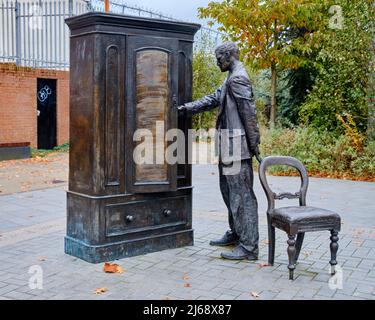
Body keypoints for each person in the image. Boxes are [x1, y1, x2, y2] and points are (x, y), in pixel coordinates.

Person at [178, 41, 261, 260]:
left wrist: (254, 144)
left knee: (242, 196)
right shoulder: (230, 78)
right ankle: (236, 233)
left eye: (218, 59)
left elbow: (249, 114)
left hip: (238, 148)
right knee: (229, 193)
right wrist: (187, 108)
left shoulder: (239, 78)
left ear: (228, 56)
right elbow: (214, 98)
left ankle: (249, 247)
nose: (217, 63)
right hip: (228, 146)